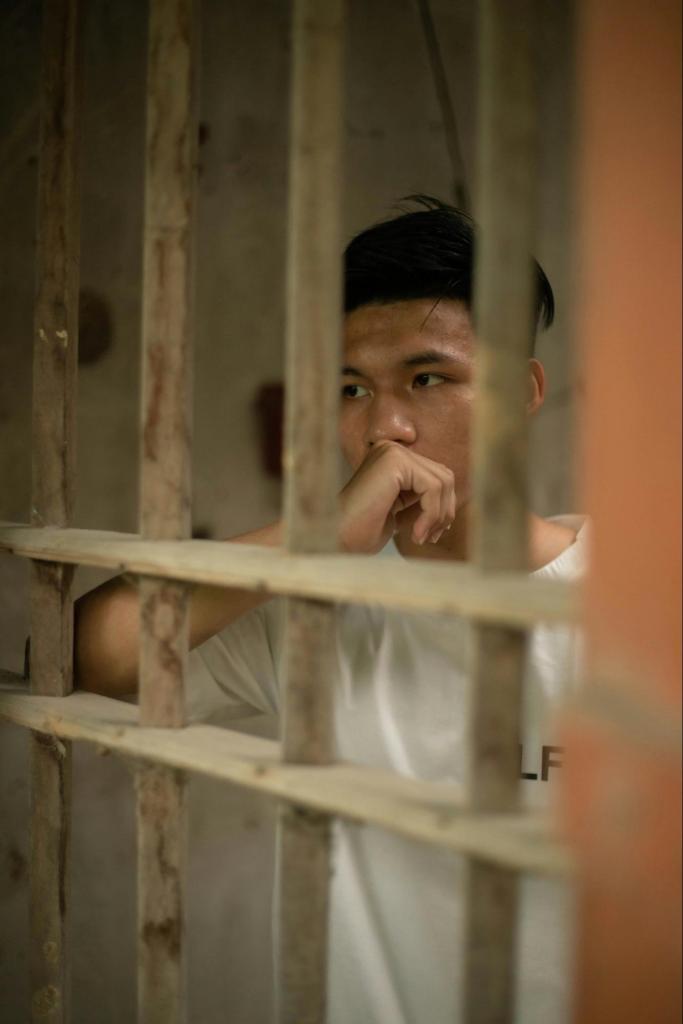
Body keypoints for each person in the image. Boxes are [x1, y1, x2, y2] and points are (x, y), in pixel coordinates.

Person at [75, 196, 587, 1023]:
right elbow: (93, 658)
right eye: (352, 388)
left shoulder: (630, 601)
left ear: (525, 392)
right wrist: (316, 542)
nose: (386, 427)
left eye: (429, 378)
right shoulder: (313, 602)